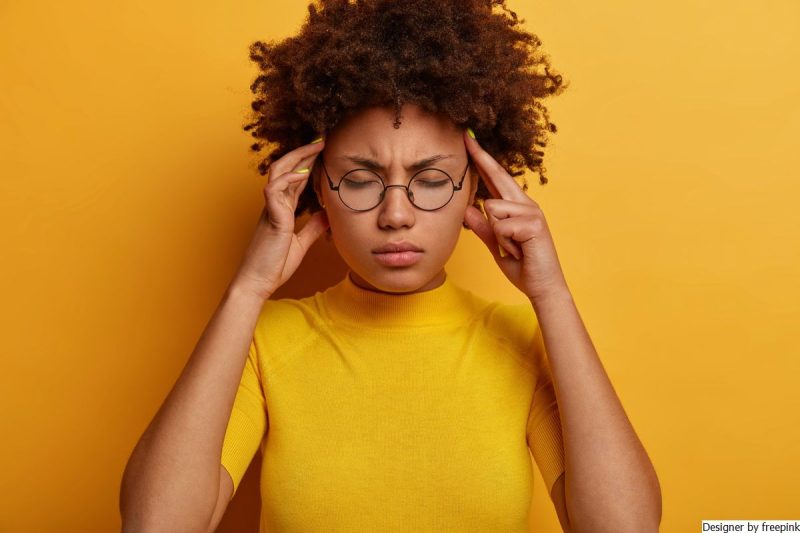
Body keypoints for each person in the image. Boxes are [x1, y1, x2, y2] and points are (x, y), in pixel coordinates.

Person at [120, 1, 662, 532]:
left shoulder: (524, 341)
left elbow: (625, 527)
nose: (396, 215)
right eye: (359, 180)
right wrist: (248, 289)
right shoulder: (264, 342)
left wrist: (552, 294)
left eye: (430, 180)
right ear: (317, 189)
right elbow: (155, 524)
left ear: (475, 187)